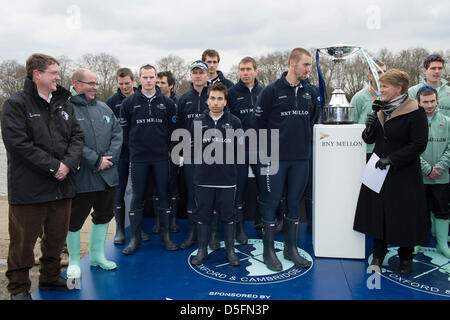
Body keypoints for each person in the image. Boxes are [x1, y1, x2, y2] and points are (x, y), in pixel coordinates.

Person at [2, 53, 84, 299]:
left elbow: (77, 137)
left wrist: (67, 165)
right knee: (22, 243)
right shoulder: (16, 104)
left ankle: (49, 278)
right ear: (37, 75)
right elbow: (18, 144)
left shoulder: (64, 103)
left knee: (56, 238)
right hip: (29, 189)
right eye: (54, 73)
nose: (58, 77)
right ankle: (18, 288)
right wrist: (53, 167)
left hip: (62, 186)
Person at [353, 69, 429, 275]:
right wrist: (368, 128)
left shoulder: (416, 111)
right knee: (379, 212)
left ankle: (406, 255)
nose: (381, 90)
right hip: (379, 171)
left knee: (404, 215)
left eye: (385, 86)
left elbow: (419, 144)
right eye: (381, 85)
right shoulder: (381, 109)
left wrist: (392, 160)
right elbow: (369, 140)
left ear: (398, 88)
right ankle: (378, 252)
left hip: (403, 173)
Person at [252, 48, 319, 271]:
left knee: (293, 204)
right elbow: (258, 125)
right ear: (292, 63)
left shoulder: (311, 91)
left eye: (309, 65)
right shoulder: (271, 91)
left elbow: (312, 120)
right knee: (271, 204)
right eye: (305, 65)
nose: (309, 69)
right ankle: (269, 251)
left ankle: (291, 249)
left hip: (301, 159)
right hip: (274, 160)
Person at [66, 68, 123, 287]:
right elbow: (71, 141)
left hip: (108, 176)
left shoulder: (104, 107)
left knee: (104, 216)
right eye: (91, 83)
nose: (95, 88)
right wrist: (95, 159)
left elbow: (118, 134)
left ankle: (98, 256)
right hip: (82, 177)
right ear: (77, 84)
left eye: (97, 84)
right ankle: (73, 260)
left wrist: (109, 159)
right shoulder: (67, 109)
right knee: (75, 221)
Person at [120, 64, 177, 254]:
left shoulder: (167, 103)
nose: (149, 80)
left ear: (155, 78)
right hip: (138, 159)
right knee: (137, 196)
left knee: (163, 195)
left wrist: (168, 148)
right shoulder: (129, 103)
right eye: (145, 77)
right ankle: (135, 238)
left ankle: (165, 236)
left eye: (152, 77)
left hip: (161, 157)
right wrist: (135, 148)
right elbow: (125, 132)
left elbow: (172, 130)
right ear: (139, 79)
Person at [190, 83, 242, 266]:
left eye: (220, 98)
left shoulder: (235, 122)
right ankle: (202, 249)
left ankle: (230, 250)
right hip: (203, 179)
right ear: (207, 100)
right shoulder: (197, 122)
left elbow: (239, 150)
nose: (216, 102)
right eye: (212, 98)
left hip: (227, 180)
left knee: (228, 216)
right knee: (203, 214)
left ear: (225, 101)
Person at [105, 68, 150, 245]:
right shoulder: (111, 102)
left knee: (140, 192)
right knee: (120, 191)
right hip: (121, 155)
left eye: (127, 83)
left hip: (141, 155)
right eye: (121, 83)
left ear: (133, 81)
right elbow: (107, 130)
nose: (124, 87)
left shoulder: (143, 98)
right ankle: (120, 230)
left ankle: (138, 228)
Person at [227, 56, 264, 244]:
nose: (245, 73)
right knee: (239, 189)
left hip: (260, 147)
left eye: (249, 69)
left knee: (264, 188)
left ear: (256, 71)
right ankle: (239, 229)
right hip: (239, 149)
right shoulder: (231, 93)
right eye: (242, 69)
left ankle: (261, 225)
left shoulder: (264, 92)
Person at [176, 60, 210, 250]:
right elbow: (178, 127)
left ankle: (210, 235)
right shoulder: (183, 99)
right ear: (191, 75)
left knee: (210, 195)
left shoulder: (214, 96)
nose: (198, 76)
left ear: (207, 75)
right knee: (191, 194)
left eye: (201, 72)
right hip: (190, 155)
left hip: (212, 155)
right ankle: (192, 233)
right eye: (195, 72)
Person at [416, 86, 450, 260]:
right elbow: (412, 149)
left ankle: (442, 244)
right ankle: (415, 241)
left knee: (442, 210)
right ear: (418, 102)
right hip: (419, 177)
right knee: (417, 210)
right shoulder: (413, 123)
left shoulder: (447, 121)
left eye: (432, 101)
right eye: (425, 102)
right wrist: (427, 169)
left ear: (437, 101)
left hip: (441, 177)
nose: (429, 105)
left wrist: (440, 167)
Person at [155, 71, 179, 233]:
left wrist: (173, 148)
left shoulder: (178, 103)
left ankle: (173, 220)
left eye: (162, 82)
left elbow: (180, 128)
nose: (159, 85)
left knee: (174, 185)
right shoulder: (153, 102)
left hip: (174, 152)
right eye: (158, 82)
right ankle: (159, 221)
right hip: (156, 153)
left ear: (170, 85)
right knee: (158, 187)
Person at [351, 60, 386, 160]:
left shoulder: (391, 96)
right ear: (370, 76)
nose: (382, 75)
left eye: (384, 72)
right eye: (378, 72)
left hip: (386, 151)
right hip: (365, 151)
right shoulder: (359, 97)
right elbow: (352, 125)